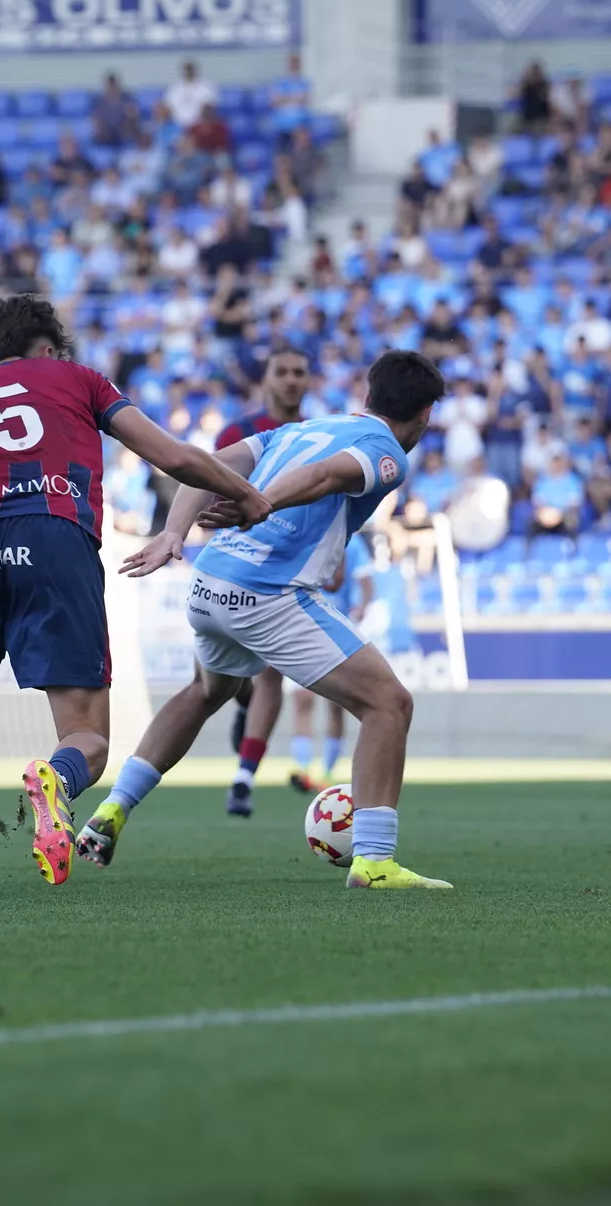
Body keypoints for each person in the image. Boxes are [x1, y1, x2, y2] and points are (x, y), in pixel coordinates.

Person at [0, 295, 269, 896]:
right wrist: (250, 496)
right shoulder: (78, 380)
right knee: (88, 738)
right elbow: (176, 457)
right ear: (50, 348)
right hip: (54, 537)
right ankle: (54, 780)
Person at [74, 350, 453, 891]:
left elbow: (205, 463)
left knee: (206, 691)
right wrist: (261, 503)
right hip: (267, 594)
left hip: (210, 585)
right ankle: (374, 861)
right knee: (389, 702)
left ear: (368, 396)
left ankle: (112, 809)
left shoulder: (301, 428)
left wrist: (173, 532)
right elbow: (325, 476)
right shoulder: (386, 449)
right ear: (426, 414)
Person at [211, 344, 315, 815]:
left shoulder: (318, 434)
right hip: (232, 563)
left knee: (273, 670)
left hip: (283, 569)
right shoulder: (239, 434)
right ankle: (243, 697)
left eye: (299, 372)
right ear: (267, 378)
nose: (291, 379)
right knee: (216, 681)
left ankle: (243, 779)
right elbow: (208, 492)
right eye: (283, 371)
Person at [287, 529, 372, 794]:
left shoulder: (353, 541)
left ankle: (326, 772)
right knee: (303, 698)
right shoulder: (304, 532)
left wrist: (361, 607)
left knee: (336, 704)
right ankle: (303, 769)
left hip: (337, 624)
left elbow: (366, 582)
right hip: (303, 623)